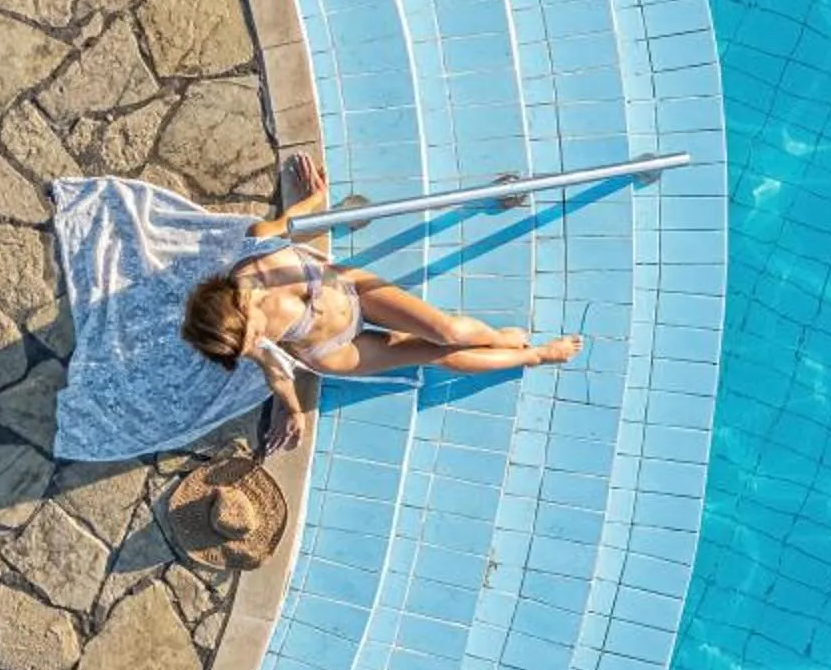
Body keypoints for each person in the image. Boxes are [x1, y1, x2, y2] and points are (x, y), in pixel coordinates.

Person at [181, 152, 582, 450]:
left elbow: (297, 223)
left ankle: (498, 338)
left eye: (252, 332)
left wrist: (314, 199)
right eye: (249, 343)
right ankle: (538, 355)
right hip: (334, 349)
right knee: (436, 355)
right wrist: (292, 408)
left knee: (448, 330)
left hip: (352, 292)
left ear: (238, 301)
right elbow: (274, 369)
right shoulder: (246, 339)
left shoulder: (259, 245)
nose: (257, 340)